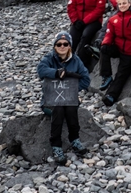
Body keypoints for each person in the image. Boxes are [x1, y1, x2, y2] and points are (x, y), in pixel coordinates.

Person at [37, 31, 91, 165]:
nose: (62, 46)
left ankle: (75, 139)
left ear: (70, 46)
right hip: (50, 101)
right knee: (59, 109)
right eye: (59, 44)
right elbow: (41, 70)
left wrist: (72, 88)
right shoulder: (49, 58)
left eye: (65, 44)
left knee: (71, 108)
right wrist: (56, 73)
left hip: (69, 98)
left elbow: (86, 79)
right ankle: (56, 145)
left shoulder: (76, 60)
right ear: (54, 46)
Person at [99, 0, 131, 107]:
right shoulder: (113, 19)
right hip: (118, 48)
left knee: (121, 75)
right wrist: (105, 43)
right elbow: (109, 35)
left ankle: (111, 95)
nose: (122, 5)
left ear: (130, 4)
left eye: (124, 3)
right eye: (120, 4)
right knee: (104, 48)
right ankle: (106, 76)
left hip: (130, 52)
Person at [67, 0, 107, 69]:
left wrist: (84, 21)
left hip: (93, 21)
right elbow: (71, 7)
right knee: (71, 39)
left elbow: (99, 9)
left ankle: (81, 63)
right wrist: (75, 20)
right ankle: (67, 62)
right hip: (78, 21)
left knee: (85, 36)